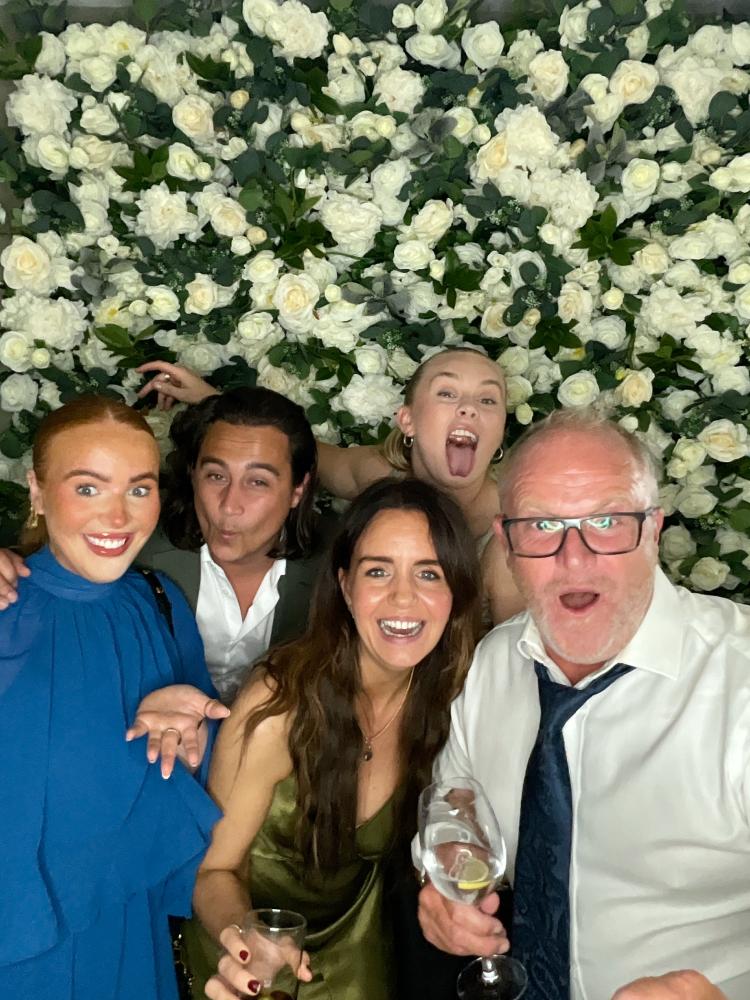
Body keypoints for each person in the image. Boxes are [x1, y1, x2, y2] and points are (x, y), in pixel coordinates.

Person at [416, 407, 750, 1000]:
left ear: (653, 530)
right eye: (542, 526)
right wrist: (448, 856)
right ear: (506, 543)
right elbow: (455, 794)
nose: (575, 559)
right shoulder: (495, 661)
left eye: (607, 521)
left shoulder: (740, 682)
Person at [182, 478, 481, 1000]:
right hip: (244, 950)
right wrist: (247, 943)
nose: (403, 597)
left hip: (358, 944)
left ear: (455, 591)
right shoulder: (279, 705)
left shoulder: (454, 696)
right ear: (345, 586)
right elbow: (214, 870)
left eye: (428, 573)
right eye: (378, 571)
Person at [0, 395, 226, 1000]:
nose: (119, 516)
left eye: (139, 488)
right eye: (88, 488)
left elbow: (203, 769)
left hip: (127, 925)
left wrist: (198, 735)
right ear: (37, 491)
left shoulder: (159, 600)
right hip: (19, 942)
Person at [136, 346, 523, 622]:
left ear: (501, 429)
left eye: (488, 400)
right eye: (447, 393)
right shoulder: (378, 476)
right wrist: (210, 400)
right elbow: (287, 450)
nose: (468, 408)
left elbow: (514, 669)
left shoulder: (512, 532)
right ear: (407, 421)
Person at [0, 386, 322, 705]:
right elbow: (63, 556)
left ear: (298, 490)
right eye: (216, 476)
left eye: (258, 482)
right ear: (193, 474)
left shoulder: (336, 569)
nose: (229, 505)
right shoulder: (135, 550)